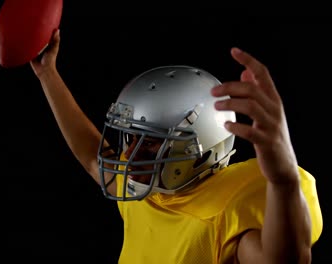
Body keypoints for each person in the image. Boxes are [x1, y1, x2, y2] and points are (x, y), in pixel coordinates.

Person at [29, 28, 323, 263]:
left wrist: (283, 183)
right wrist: (48, 74)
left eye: (151, 145)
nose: (129, 158)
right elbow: (93, 156)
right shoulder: (145, 190)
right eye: (131, 138)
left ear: (200, 148)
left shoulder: (222, 214)